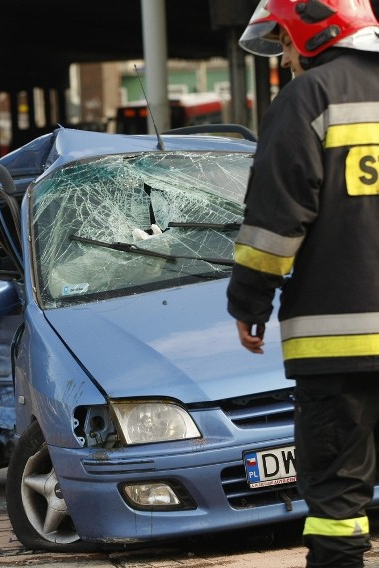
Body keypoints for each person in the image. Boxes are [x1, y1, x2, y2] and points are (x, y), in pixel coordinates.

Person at [227, 1, 379, 566]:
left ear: (311, 33)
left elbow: (274, 223)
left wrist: (248, 300)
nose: (286, 58)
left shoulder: (309, 98)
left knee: (338, 503)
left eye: (286, 43)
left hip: (335, 350)